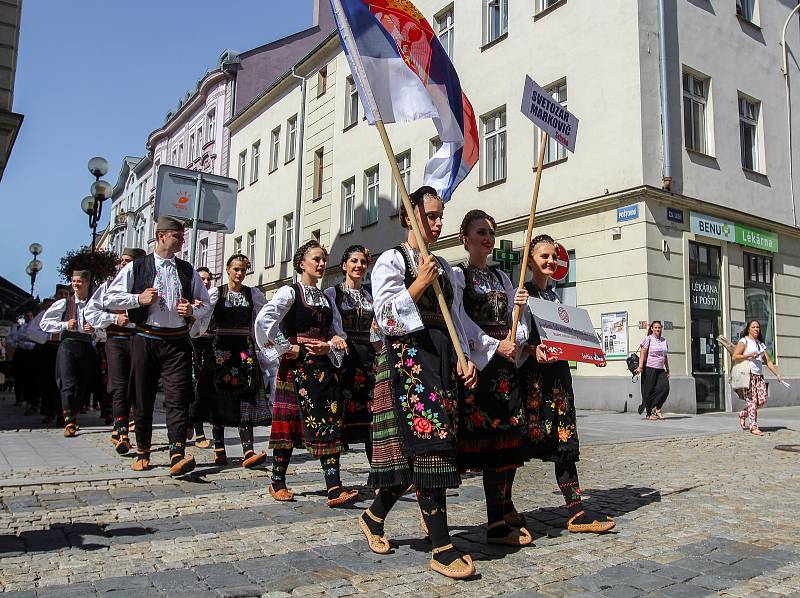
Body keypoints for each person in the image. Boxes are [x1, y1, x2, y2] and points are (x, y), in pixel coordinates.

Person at [358, 186, 478, 580]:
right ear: (409, 218)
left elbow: (456, 317)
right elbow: (387, 318)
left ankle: (374, 517)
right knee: (430, 446)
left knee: (424, 450)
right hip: (407, 362)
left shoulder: (445, 266)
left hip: (441, 358)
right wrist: (418, 284)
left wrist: (466, 358)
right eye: (430, 215)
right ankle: (441, 546)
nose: (438, 223)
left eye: (441, 215)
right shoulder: (391, 260)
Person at [520, 234, 615, 534]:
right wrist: (530, 349)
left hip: (558, 380)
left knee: (564, 441)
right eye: (543, 256)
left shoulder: (556, 297)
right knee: (517, 444)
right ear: (530, 260)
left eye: (552, 256)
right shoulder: (521, 294)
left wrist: (590, 351)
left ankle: (575, 509)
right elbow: (515, 340)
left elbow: (569, 336)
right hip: (532, 381)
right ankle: (503, 513)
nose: (549, 261)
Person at [105, 216, 211, 475]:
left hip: (176, 342)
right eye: (178, 235)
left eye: (183, 235)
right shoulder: (138, 267)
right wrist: (137, 298)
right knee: (142, 396)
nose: (182, 239)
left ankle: (177, 452)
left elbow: (206, 304)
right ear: (161, 235)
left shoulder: (187, 270)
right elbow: (110, 297)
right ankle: (143, 450)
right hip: (145, 338)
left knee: (177, 398)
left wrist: (192, 311)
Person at [254, 240, 357, 506]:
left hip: (321, 371)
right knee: (287, 425)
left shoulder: (326, 299)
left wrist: (331, 345)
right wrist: (287, 347)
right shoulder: (290, 292)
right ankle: (277, 481)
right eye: (316, 259)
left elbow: (338, 334)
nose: (321, 264)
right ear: (302, 263)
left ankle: (334, 488)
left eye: (323, 259)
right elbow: (265, 319)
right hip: (295, 369)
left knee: (328, 422)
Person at [452, 209, 532, 546]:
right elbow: (459, 319)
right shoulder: (459, 276)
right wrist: (492, 345)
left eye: (491, 232)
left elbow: (519, 324)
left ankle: (500, 515)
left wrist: (520, 324)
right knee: (482, 447)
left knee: (508, 443)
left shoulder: (502, 278)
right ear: (465, 239)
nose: (488, 237)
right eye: (481, 232)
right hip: (480, 367)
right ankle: (490, 521)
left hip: (506, 369)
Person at [191, 254, 270, 467]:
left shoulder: (252, 294)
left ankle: (249, 450)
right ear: (227, 269)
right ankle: (219, 449)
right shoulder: (216, 293)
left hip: (244, 350)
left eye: (243, 270)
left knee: (246, 398)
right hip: (221, 351)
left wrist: (265, 342)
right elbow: (202, 313)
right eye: (236, 269)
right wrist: (194, 313)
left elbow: (264, 316)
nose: (239, 273)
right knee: (219, 399)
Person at [85, 247, 147, 453]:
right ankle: (121, 431)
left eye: (127, 261)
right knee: (120, 385)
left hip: (140, 340)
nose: (122, 265)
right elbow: (90, 313)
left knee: (138, 386)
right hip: (116, 339)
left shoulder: (147, 287)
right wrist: (113, 318)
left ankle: (133, 428)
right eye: (121, 261)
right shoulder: (108, 286)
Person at [324, 245, 381, 462]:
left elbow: (378, 331)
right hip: (343, 359)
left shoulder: (370, 295)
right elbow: (329, 326)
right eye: (354, 261)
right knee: (339, 414)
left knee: (372, 416)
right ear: (344, 265)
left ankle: (376, 474)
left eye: (363, 262)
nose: (359, 266)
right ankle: (334, 478)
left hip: (368, 360)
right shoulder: (332, 293)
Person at [39, 270, 101, 437]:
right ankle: (69, 422)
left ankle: (73, 415)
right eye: (73, 281)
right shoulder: (65, 303)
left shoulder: (94, 304)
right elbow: (44, 323)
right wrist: (65, 325)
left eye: (79, 281)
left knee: (82, 385)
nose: (75, 284)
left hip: (86, 346)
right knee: (68, 383)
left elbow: (104, 332)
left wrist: (95, 330)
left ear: (87, 283)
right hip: (67, 345)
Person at [733, 320, 784, 436]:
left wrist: (778, 375)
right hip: (748, 375)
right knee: (752, 402)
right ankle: (753, 427)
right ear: (749, 329)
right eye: (754, 327)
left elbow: (769, 362)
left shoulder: (760, 344)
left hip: (758, 377)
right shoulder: (744, 341)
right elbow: (735, 356)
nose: (756, 329)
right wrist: (749, 355)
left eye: (758, 327)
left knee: (761, 400)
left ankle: (743, 413)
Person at [187, 266, 214, 450]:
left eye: (208, 279)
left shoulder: (211, 300)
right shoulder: (187, 302)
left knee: (205, 389)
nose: (205, 282)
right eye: (202, 279)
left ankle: (192, 422)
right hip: (191, 345)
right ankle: (197, 430)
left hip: (209, 345)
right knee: (192, 388)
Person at [635, 321, 670, 420]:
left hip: (660, 369)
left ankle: (657, 409)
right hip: (649, 368)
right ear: (652, 329)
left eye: (659, 327)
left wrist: (667, 368)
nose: (658, 329)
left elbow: (665, 356)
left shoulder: (664, 341)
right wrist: (640, 366)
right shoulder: (648, 339)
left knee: (665, 388)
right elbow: (643, 353)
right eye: (656, 327)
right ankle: (649, 413)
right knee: (649, 390)